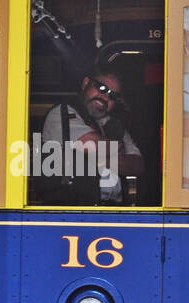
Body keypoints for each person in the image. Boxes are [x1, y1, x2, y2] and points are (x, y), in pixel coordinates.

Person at [41, 67, 144, 203]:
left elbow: (137, 166)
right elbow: (91, 145)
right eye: (102, 89)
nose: (105, 97)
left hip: (113, 213)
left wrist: (92, 159)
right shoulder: (61, 113)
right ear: (86, 83)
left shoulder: (114, 125)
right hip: (73, 211)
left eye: (112, 96)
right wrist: (114, 152)